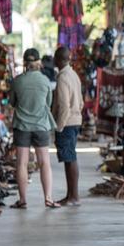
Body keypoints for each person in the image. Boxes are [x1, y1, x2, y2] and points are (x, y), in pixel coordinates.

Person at [9, 48, 56, 209]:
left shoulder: (17, 81)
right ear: (38, 63)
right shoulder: (45, 81)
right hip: (41, 126)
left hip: (22, 126)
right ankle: (48, 198)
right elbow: (48, 104)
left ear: (25, 63)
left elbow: (12, 103)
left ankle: (22, 200)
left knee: (21, 163)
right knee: (44, 163)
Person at [52, 46, 83, 207]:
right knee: (69, 158)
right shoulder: (73, 75)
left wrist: (59, 126)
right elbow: (81, 101)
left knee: (70, 158)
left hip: (67, 123)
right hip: (75, 120)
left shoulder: (63, 78)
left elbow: (64, 106)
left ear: (58, 59)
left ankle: (74, 196)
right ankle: (71, 195)